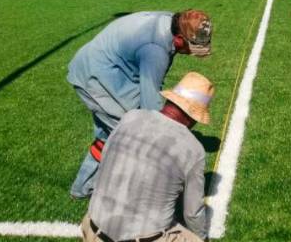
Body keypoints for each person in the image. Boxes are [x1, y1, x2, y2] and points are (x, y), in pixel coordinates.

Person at [67, 10, 213, 199]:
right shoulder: (156, 50)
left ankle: (83, 187)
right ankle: (136, 197)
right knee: (132, 136)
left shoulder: (171, 22)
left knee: (111, 133)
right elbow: (150, 103)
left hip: (114, 72)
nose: (190, 53)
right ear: (178, 39)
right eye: (191, 47)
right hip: (96, 76)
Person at [81, 72, 214, 242]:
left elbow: (105, 159)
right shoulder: (194, 149)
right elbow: (193, 214)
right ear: (194, 116)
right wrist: (203, 238)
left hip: (93, 228)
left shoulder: (130, 116)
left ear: (170, 100)